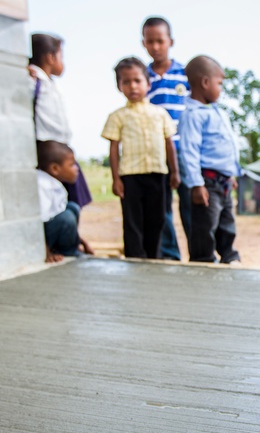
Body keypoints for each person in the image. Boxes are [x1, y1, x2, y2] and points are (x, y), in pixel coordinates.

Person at [101, 56, 180, 259]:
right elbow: (113, 148)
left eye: (137, 80)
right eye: (126, 82)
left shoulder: (160, 114)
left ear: (148, 83)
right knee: (132, 221)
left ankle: (154, 259)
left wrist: (175, 172)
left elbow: (168, 143)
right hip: (130, 177)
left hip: (158, 174)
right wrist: (116, 179)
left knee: (157, 219)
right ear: (119, 86)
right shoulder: (117, 116)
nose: (132, 86)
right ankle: (135, 259)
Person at [177, 55, 242, 264]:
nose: (221, 89)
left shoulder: (217, 112)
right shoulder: (192, 115)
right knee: (205, 225)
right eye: (219, 84)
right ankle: (203, 259)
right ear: (205, 83)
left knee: (226, 222)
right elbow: (189, 151)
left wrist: (231, 173)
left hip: (223, 180)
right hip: (207, 182)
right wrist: (196, 185)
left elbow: (225, 146)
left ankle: (229, 256)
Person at [143, 16, 191, 261]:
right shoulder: (142, 78)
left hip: (184, 150)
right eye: (150, 42)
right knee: (162, 208)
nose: (156, 47)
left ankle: (199, 254)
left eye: (160, 41)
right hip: (156, 153)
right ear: (144, 43)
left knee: (190, 204)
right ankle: (170, 256)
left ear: (170, 41)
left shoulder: (185, 74)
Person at [29, 33, 92, 211]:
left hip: (62, 149)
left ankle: (71, 232)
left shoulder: (49, 84)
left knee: (72, 199)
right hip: (49, 151)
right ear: (50, 57)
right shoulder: (33, 81)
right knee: (54, 202)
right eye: (61, 56)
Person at [36, 140, 93, 263]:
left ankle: (71, 248)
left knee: (72, 207)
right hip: (41, 241)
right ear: (55, 169)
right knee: (66, 216)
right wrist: (45, 253)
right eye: (72, 165)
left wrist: (81, 242)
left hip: (49, 234)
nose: (76, 169)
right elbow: (38, 224)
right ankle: (67, 252)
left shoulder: (53, 183)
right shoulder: (43, 186)